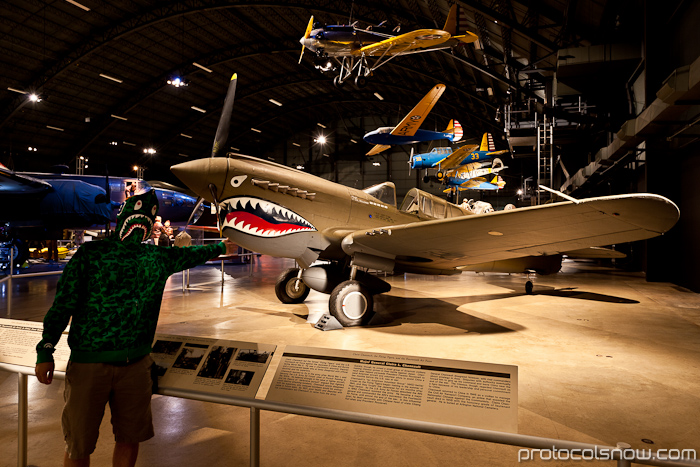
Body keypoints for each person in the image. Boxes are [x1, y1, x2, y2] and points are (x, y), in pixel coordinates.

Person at [34, 189, 236, 467]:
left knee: (129, 437)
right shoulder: (91, 255)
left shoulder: (156, 258)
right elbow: (62, 305)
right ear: (121, 218)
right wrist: (45, 348)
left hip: (136, 365)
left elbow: (192, 255)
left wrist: (223, 246)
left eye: (148, 217)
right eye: (136, 212)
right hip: (89, 364)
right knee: (79, 443)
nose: (141, 221)